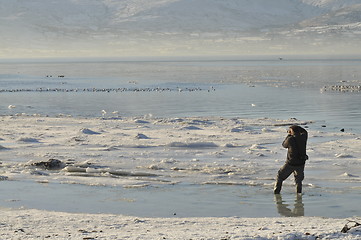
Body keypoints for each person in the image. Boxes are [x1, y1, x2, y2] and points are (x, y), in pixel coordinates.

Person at [274, 125, 308, 194]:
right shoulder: (303, 137)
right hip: (301, 163)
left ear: (292, 132)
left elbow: (284, 145)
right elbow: (305, 131)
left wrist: (289, 135)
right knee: (298, 180)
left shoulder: (290, 139)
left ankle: (276, 193)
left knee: (280, 176)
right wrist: (296, 128)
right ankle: (299, 194)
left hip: (291, 163)